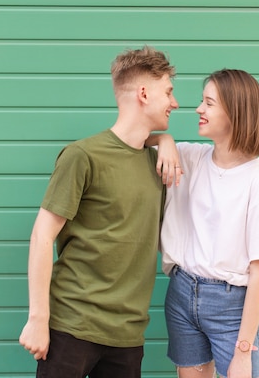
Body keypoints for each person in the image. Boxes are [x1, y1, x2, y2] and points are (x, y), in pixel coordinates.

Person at [19, 45, 181, 378]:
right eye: (168, 92)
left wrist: (165, 140)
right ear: (143, 93)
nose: (175, 103)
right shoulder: (83, 156)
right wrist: (38, 319)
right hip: (72, 327)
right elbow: (41, 236)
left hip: (127, 336)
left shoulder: (159, 164)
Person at [149, 69, 259, 378]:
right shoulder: (191, 158)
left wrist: (244, 350)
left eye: (208, 103)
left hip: (231, 307)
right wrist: (165, 139)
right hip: (182, 293)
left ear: (234, 112)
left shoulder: (258, 181)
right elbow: (134, 137)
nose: (198, 109)